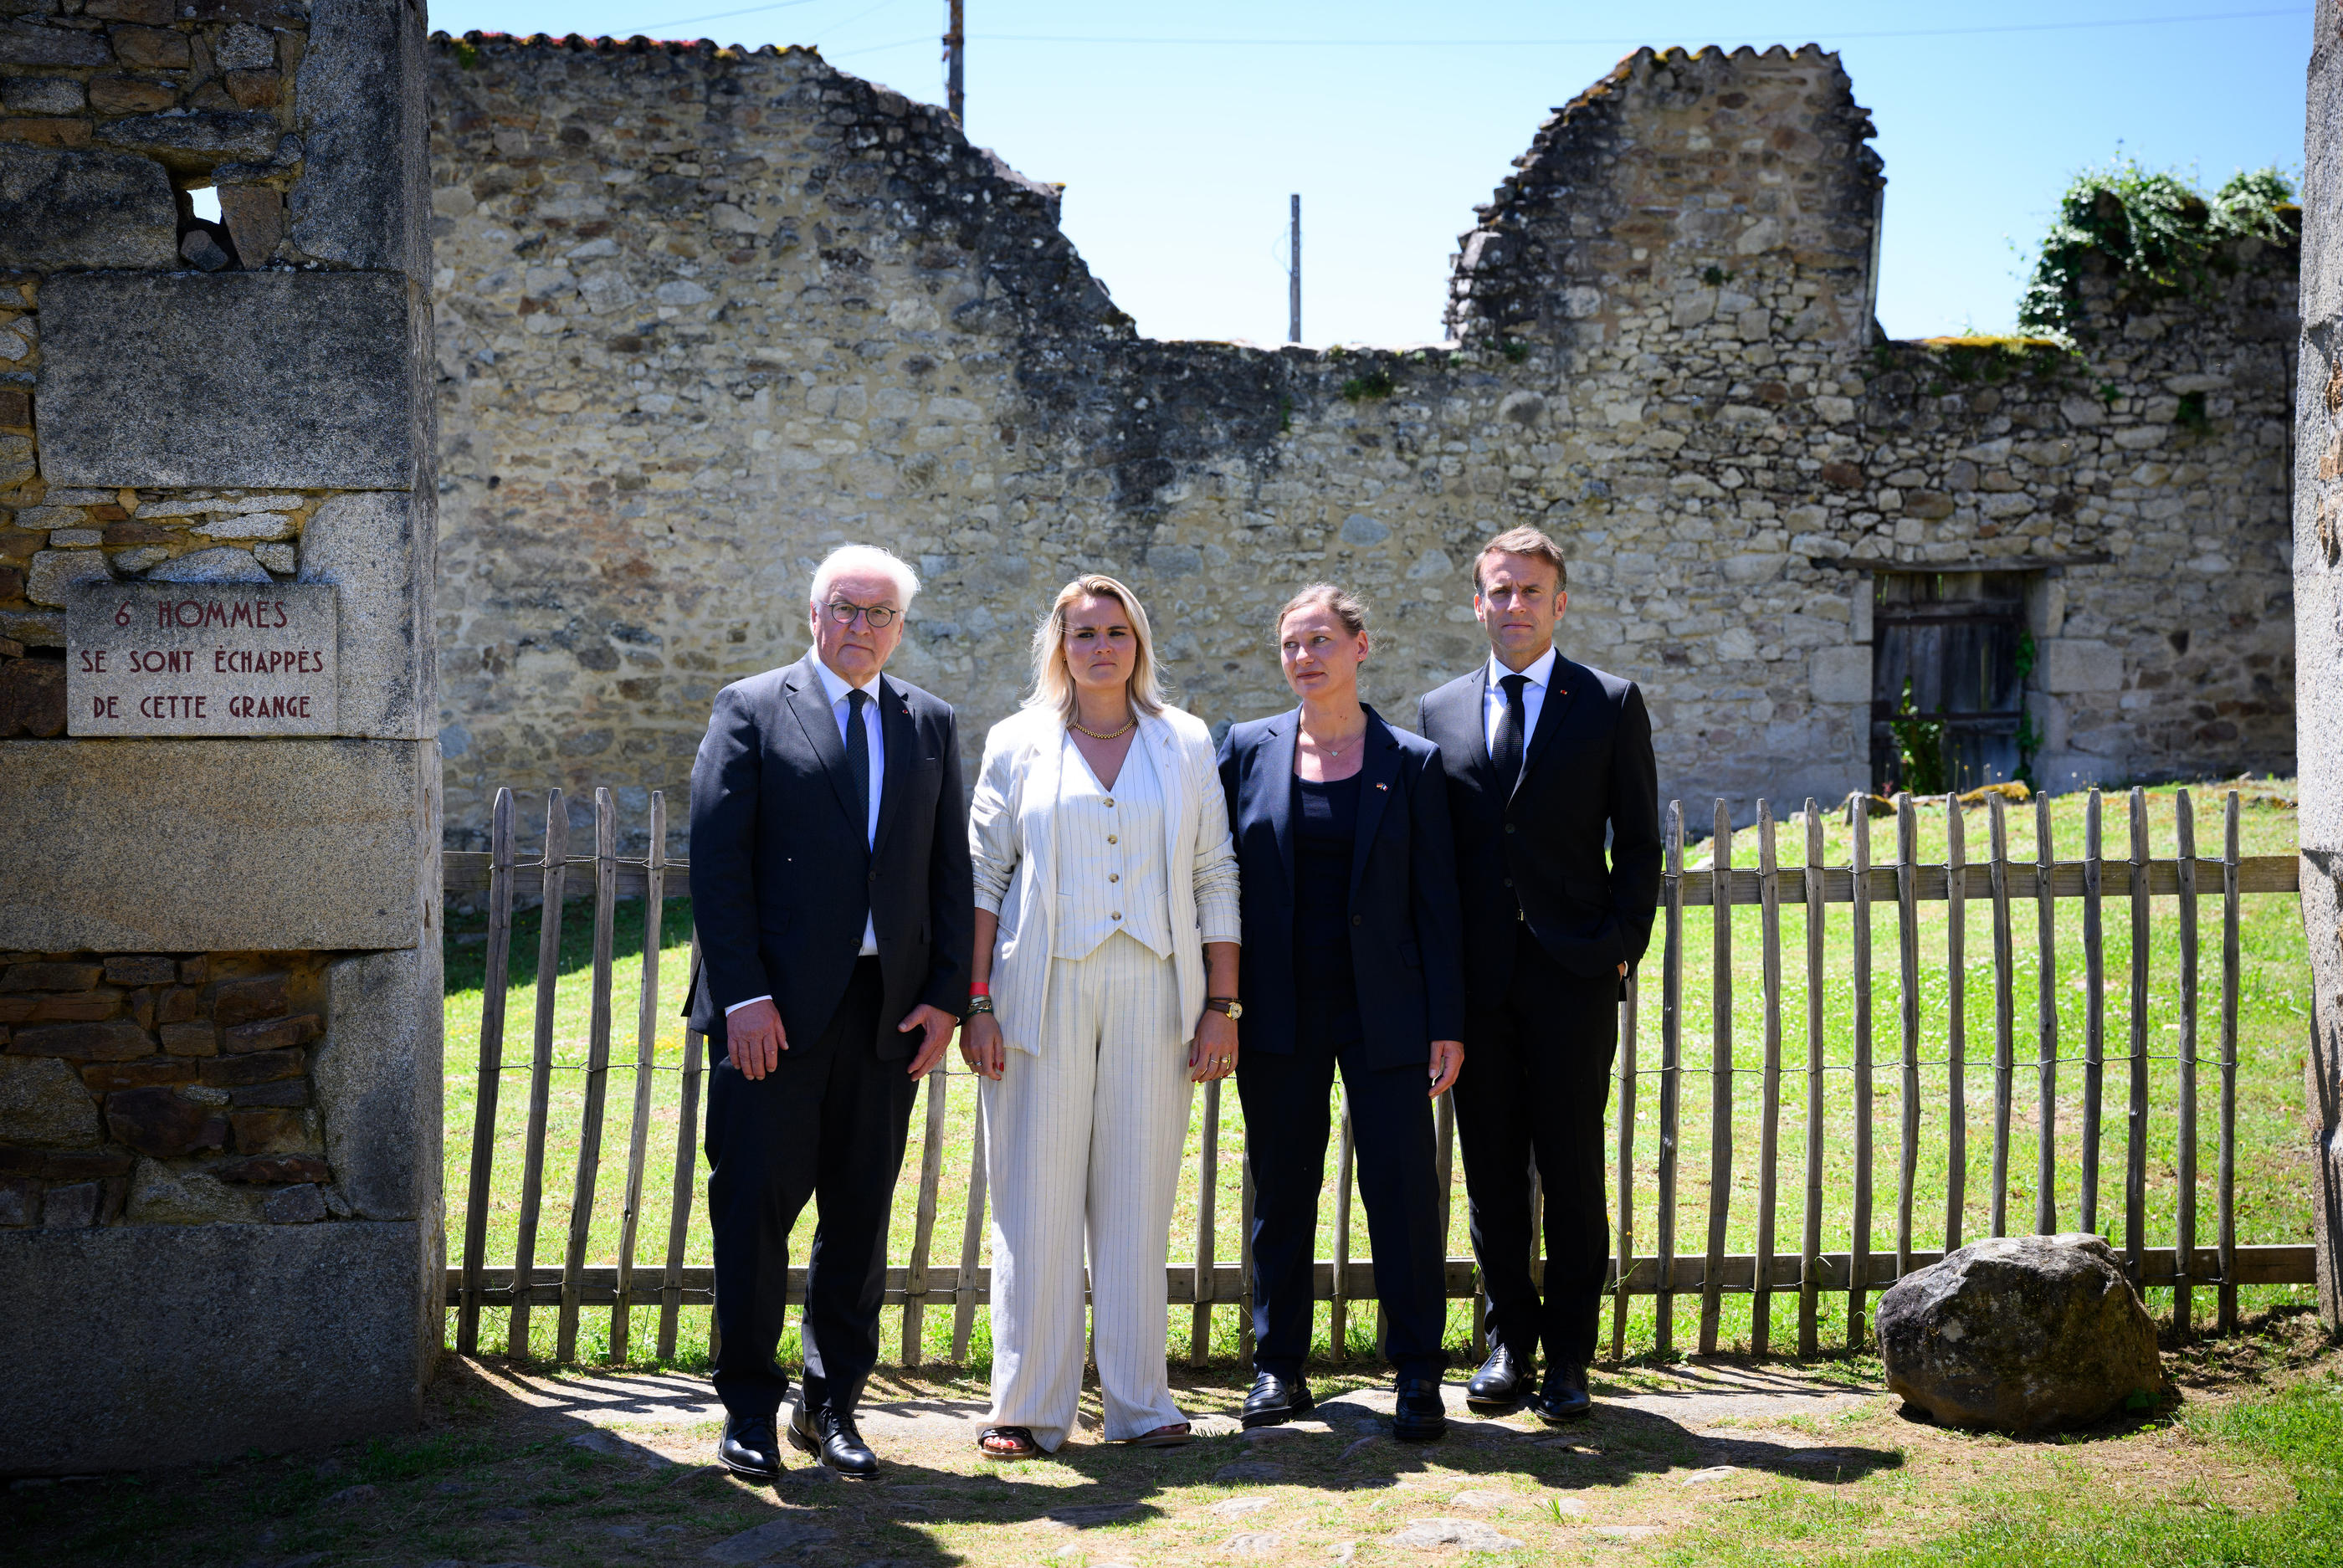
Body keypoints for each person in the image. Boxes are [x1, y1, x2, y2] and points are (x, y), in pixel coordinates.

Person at [686, 544, 972, 1479]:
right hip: (770, 1014)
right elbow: (717, 865)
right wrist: (745, 997)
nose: (861, 627)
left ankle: (833, 1403)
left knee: (858, 1215)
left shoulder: (927, 721)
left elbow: (945, 875)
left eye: (880, 613)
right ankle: (747, 1408)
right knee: (754, 1211)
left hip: (884, 1013)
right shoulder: (753, 706)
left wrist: (942, 998)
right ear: (814, 613)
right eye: (845, 608)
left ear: (900, 625)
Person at [959, 573, 1242, 1458]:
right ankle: (1027, 1406)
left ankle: (1140, 1401)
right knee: (1032, 1200)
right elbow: (982, 880)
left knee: (1135, 1199)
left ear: (1138, 642)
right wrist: (976, 1002)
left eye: (1116, 630)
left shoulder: (1183, 740)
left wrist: (1221, 1003)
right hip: (1038, 988)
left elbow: (1214, 876)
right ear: (1059, 645)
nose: (1101, 646)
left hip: (1158, 993)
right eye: (1083, 632)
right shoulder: (1016, 742)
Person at [1415, 526, 1659, 1422]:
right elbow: (1437, 859)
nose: (1512, 604)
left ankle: (1568, 1360)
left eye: (1530, 591)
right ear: (1475, 603)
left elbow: (1638, 842)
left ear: (1559, 602)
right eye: (1497, 590)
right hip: (1479, 984)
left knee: (1570, 1166)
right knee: (1488, 1172)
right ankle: (1506, 1346)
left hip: (1573, 975)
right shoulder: (1438, 709)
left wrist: (1620, 941)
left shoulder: (1608, 700)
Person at [1217, 585, 1466, 1442]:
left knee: (1399, 1189)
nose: (1304, 657)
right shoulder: (1244, 750)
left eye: (1320, 639)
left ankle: (1418, 1374)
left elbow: (1438, 901)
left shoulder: (1413, 759)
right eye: (1290, 643)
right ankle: (1276, 1366)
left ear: (1362, 646)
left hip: (1387, 1010)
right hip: (1278, 1008)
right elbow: (1215, 881)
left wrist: (1447, 1017)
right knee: (1281, 1188)